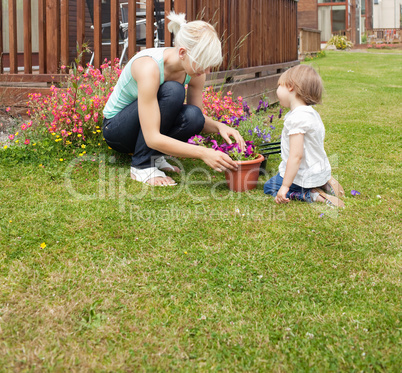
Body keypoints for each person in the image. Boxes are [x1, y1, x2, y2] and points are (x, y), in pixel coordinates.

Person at [102, 12, 245, 186]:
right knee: (173, 90)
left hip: (144, 130)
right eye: (204, 63)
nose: (207, 71)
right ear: (183, 52)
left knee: (195, 115)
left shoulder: (194, 71)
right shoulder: (149, 67)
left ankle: (154, 156)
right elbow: (152, 136)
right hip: (117, 130)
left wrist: (220, 126)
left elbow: (195, 120)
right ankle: (141, 165)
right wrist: (203, 152)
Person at [263, 64, 345, 207]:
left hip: (303, 175)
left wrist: (285, 186)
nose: (277, 90)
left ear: (290, 87)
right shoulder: (311, 113)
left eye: (279, 86)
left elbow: (296, 156)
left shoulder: (297, 119)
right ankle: (324, 182)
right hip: (319, 170)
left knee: (270, 187)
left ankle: (312, 194)